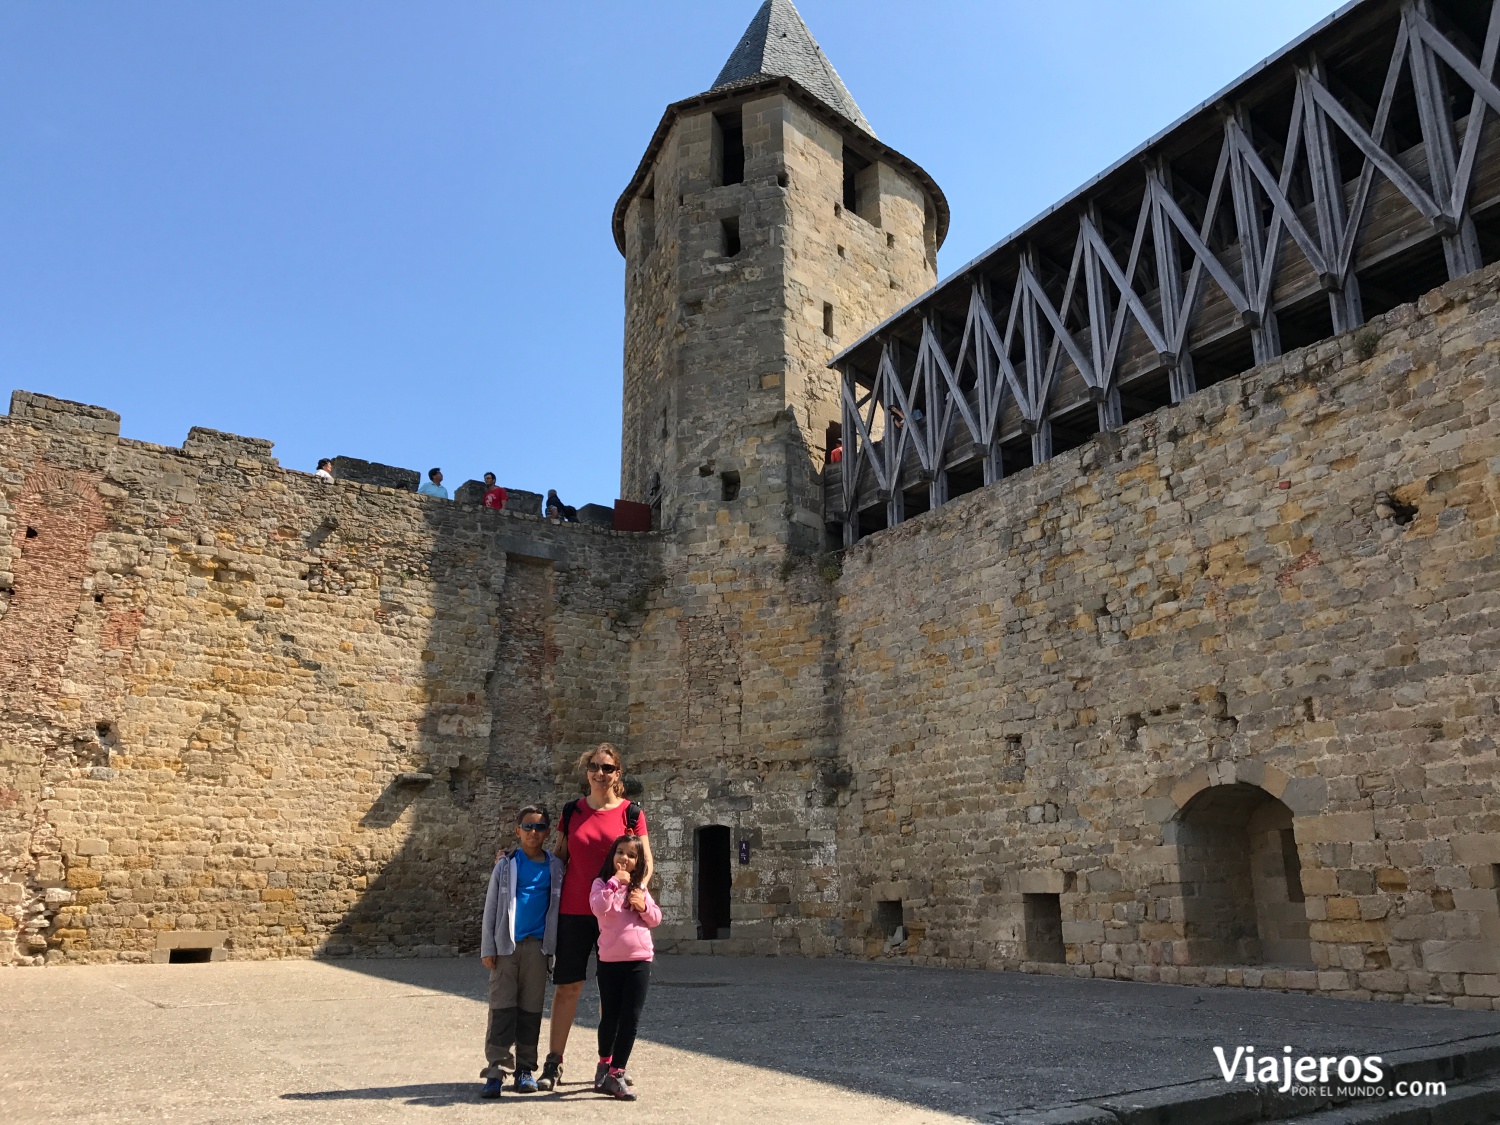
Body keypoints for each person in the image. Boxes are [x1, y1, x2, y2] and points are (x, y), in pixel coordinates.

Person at [536, 743, 653, 1092]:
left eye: (607, 768)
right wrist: (516, 863)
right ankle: (554, 1062)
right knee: (567, 986)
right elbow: (558, 856)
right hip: (574, 909)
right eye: (594, 767)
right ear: (586, 771)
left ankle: (609, 1066)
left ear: (618, 773)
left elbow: (645, 862)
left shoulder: (631, 814)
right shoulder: (572, 811)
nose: (599, 773)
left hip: (616, 916)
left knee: (610, 993)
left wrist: (640, 892)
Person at [479, 806, 564, 1098]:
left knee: (530, 1011)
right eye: (527, 827)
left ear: (547, 833)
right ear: (518, 831)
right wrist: (488, 947)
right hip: (506, 947)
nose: (533, 832)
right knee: (502, 1008)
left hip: (538, 949)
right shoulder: (506, 866)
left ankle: (525, 1068)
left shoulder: (555, 867)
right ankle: (496, 1068)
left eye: (539, 827)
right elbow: (491, 908)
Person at [589, 835, 660, 1100]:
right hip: (609, 962)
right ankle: (604, 1063)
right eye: (620, 852)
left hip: (639, 960)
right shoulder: (601, 884)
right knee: (610, 1017)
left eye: (631, 855)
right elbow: (598, 907)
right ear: (612, 856)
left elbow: (655, 918)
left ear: (637, 862)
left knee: (630, 1018)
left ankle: (617, 1072)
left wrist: (643, 907)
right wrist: (614, 882)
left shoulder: (640, 887)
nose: (625, 859)